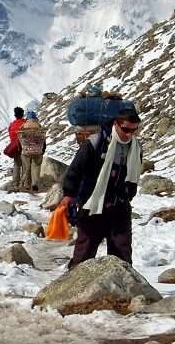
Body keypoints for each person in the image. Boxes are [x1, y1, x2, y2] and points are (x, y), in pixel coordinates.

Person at [61, 108, 143, 268]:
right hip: (92, 204)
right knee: (84, 254)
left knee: (122, 256)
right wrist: (69, 194)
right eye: (125, 129)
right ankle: (73, 289)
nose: (129, 134)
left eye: (134, 130)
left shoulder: (135, 148)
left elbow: (133, 176)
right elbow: (76, 169)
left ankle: (122, 290)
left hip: (119, 207)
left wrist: (127, 196)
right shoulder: (95, 142)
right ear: (116, 124)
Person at [18, 111, 46, 192]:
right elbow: (43, 139)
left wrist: (21, 148)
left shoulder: (23, 126)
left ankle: (26, 184)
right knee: (36, 167)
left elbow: (20, 139)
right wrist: (43, 149)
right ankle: (35, 184)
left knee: (27, 168)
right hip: (38, 151)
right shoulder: (39, 126)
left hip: (26, 151)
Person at [7, 106, 26, 189]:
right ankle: (24, 183)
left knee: (17, 165)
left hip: (15, 147)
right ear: (22, 114)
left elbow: (10, 134)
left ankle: (15, 183)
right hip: (24, 147)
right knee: (25, 166)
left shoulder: (11, 125)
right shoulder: (25, 123)